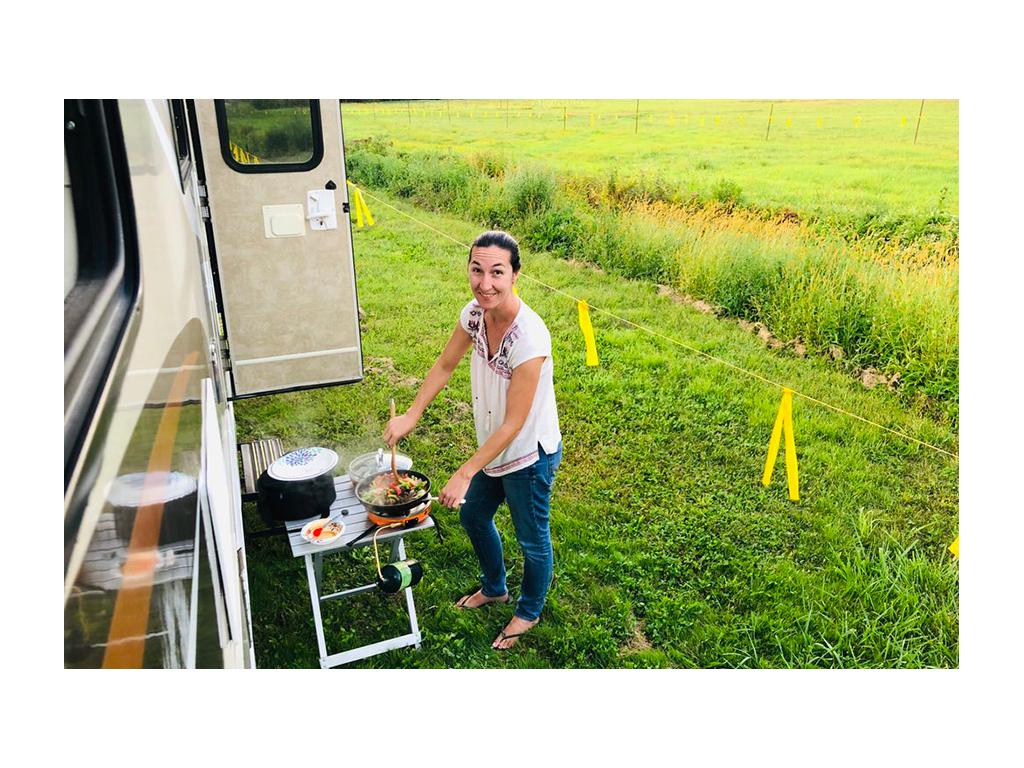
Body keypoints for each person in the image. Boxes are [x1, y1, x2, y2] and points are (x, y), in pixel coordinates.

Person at [383, 230, 563, 650]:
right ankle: (495, 588)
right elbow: (445, 365)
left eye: (497, 272)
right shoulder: (474, 314)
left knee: (532, 539)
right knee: (475, 516)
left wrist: (465, 472)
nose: (485, 283)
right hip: (494, 449)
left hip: (527, 454)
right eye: (477, 270)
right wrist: (412, 413)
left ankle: (528, 612)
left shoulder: (530, 338)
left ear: (515, 275)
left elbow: (514, 423)